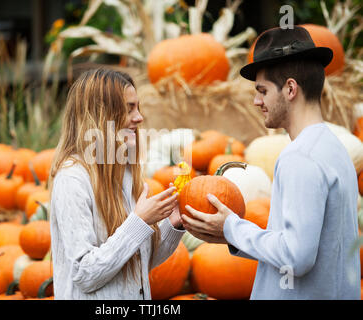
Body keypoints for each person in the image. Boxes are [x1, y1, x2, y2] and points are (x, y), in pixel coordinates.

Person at [181, 26, 361, 299]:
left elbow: (296, 257)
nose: (256, 101)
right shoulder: (333, 148)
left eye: (262, 91)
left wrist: (231, 227)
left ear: (290, 89)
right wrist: (233, 235)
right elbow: (309, 245)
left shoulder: (300, 157)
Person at [48, 68, 185, 299]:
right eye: (129, 108)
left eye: (138, 107)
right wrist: (139, 221)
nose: (139, 117)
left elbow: (136, 262)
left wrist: (173, 224)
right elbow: (85, 272)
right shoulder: (72, 180)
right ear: (101, 115)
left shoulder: (124, 174)